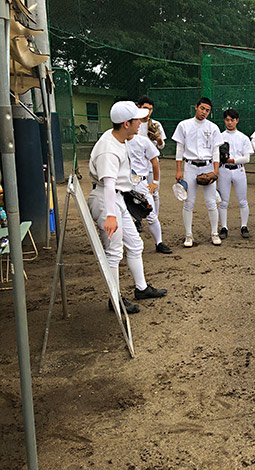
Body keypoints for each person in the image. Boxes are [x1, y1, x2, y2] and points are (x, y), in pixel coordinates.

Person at [87, 101, 168, 314]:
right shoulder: (109, 149)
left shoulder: (120, 138)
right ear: (126, 123)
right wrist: (111, 215)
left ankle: (141, 288)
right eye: (137, 120)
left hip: (117, 198)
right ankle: (114, 299)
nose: (141, 123)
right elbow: (109, 183)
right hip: (106, 200)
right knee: (114, 252)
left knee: (135, 244)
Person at [172, 97, 224, 247]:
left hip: (207, 166)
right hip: (190, 166)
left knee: (211, 202)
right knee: (189, 202)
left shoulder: (213, 127)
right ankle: (188, 236)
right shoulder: (184, 125)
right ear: (196, 107)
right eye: (202, 108)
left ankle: (214, 233)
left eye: (207, 110)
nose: (204, 112)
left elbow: (215, 150)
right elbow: (179, 148)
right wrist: (178, 169)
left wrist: (215, 171)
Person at [126, 128, 172, 254]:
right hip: (122, 183)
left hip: (140, 182)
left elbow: (155, 161)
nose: (138, 124)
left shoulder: (143, 141)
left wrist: (155, 182)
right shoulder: (116, 141)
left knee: (150, 213)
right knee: (123, 215)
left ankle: (159, 242)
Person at [218, 108, 252, 239]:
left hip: (238, 169)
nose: (229, 122)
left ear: (237, 120)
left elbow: (247, 158)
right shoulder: (220, 137)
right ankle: (224, 227)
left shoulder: (243, 137)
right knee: (223, 201)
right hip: (224, 169)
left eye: (232, 120)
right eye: (227, 120)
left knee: (243, 201)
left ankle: (244, 226)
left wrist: (234, 160)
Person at [137, 96, 167, 214]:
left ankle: (155, 217)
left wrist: (158, 139)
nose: (148, 111)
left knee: (154, 192)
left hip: (151, 164)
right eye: (145, 108)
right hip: (135, 164)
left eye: (150, 109)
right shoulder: (134, 123)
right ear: (139, 107)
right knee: (135, 193)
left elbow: (161, 146)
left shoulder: (155, 124)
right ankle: (137, 219)